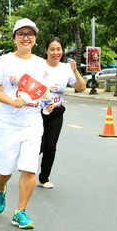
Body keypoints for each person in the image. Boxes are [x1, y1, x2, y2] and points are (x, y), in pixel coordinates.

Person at [0, 18, 53, 230]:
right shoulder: (4, 62)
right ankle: (0, 188)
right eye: (21, 34)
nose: (26, 38)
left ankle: (20, 212)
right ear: (15, 38)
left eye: (30, 34)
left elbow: (43, 91)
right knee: (5, 169)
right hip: (8, 123)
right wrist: (11, 101)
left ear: (35, 39)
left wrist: (48, 103)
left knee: (29, 168)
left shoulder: (40, 64)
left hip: (32, 123)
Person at [37, 37, 86, 189]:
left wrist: (75, 71)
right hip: (36, 111)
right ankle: (25, 168)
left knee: (50, 146)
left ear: (62, 51)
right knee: (38, 145)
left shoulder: (66, 68)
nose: (55, 52)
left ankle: (43, 178)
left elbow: (81, 87)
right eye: (52, 49)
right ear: (46, 51)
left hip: (56, 112)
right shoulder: (38, 66)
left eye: (58, 49)